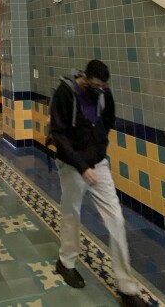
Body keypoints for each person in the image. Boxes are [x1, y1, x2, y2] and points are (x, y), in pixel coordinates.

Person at [49, 59, 140, 296]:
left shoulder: (103, 94)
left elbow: (108, 120)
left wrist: (98, 149)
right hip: (71, 166)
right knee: (71, 213)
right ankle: (66, 262)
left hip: (98, 164)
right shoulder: (65, 93)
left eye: (102, 86)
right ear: (85, 78)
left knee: (116, 219)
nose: (99, 89)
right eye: (96, 85)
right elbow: (59, 134)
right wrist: (81, 165)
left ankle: (127, 287)